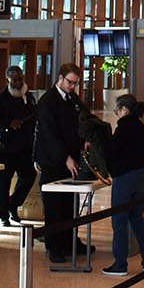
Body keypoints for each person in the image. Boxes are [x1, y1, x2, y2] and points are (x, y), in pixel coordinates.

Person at [35, 62, 92, 266]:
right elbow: (50, 134)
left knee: (70, 203)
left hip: (71, 160)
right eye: (70, 82)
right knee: (54, 205)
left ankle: (70, 241)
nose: (72, 86)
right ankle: (54, 247)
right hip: (53, 161)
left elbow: (80, 122)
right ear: (60, 78)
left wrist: (84, 141)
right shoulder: (47, 101)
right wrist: (65, 157)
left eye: (75, 83)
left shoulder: (72, 99)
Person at [102, 94, 144, 277]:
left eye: (117, 110)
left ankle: (120, 263)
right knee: (137, 219)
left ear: (124, 109)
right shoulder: (139, 126)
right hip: (139, 175)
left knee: (119, 221)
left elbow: (112, 151)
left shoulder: (123, 128)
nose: (116, 114)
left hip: (124, 177)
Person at [0, 65, 37, 226]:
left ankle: (13, 203)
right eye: (14, 80)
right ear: (8, 80)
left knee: (29, 176)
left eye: (20, 79)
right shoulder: (0, 99)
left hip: (24, 147)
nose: (18, 82)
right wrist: (9, 123)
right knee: (2, 182)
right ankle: (2, 214)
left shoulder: (28, 97)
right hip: (4, 148)